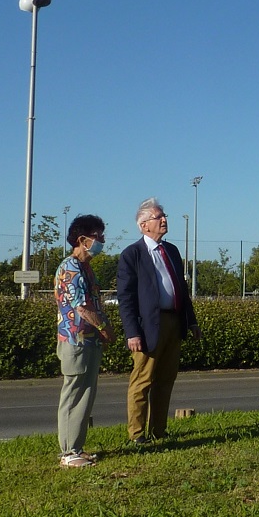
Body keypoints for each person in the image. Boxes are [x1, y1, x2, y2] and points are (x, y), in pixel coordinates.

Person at [116, 197, 202, 445]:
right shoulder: (132, 254)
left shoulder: (171, 251)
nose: (164, 220)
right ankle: (137, 434)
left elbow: (182, 290)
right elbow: (126, 297)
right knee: (142, 381)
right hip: (147, 328)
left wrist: (191, 322)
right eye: (158, 217)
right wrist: (132, 332)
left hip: (174, 323)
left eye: (164, 216)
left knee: (166, 380)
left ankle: (159, 430)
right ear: (144, 225)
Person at [55, 213, 114, 468]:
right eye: (97, 236)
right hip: (75, 342)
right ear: (82, 239)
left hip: (89, 342)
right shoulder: (70, 268)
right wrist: (103, 326)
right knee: (74, 393)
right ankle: (68, 453)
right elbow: (81, 307)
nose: (101, 240)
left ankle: (76, 448)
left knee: (86, 394)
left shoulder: (86, 269)